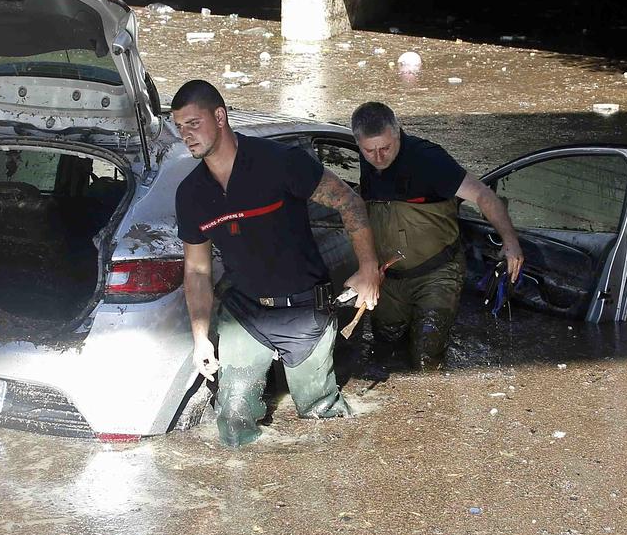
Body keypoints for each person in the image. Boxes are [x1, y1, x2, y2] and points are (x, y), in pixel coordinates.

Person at [173, 80, 382, 448]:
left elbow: (349, 203)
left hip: (304, 310)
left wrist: (367, 269)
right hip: (245, 314)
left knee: (320, 415)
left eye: (193, 123)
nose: (186, 135)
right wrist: (200, 336)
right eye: (179, 127)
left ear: (220, 117)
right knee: (233, 422)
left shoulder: (280, 162)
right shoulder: (191, 194)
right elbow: (196, 271)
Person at [350, 101, 524, 370]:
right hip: (389, 278)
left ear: (398, 134)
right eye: (369, 150)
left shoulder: (429, 159)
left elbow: (483, 195)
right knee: (385, 349)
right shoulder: (368, 157)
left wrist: (510, 242)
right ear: (359, 143)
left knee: (426, 354)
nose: (379, 157)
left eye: (386, 148)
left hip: (437, 273)